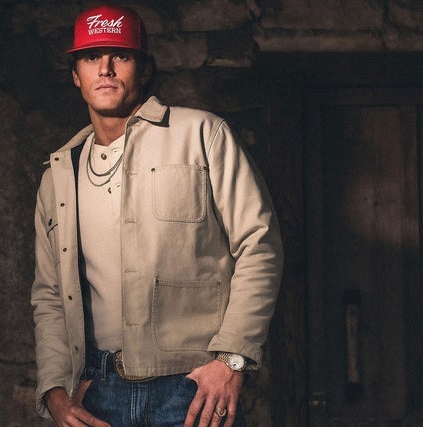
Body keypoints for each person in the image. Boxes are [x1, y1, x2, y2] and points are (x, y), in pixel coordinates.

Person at [31, 4, 283, 426]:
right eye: (91, 57)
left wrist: (232, 360)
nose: (105, 69)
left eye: (120, 55)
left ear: (145, 69)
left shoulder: (202, 135)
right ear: (75, 74)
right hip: (97, 392)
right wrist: (55, 391)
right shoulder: (59, 174)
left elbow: (260, 244)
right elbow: (50, 294)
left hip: (192, 388)